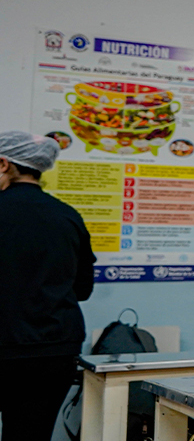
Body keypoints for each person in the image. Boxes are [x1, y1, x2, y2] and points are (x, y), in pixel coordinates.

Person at [0, 131, 95, 441]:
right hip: (52, 351)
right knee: (30, 434)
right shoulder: (67, 216)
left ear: (3, 164)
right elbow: (82, 289)